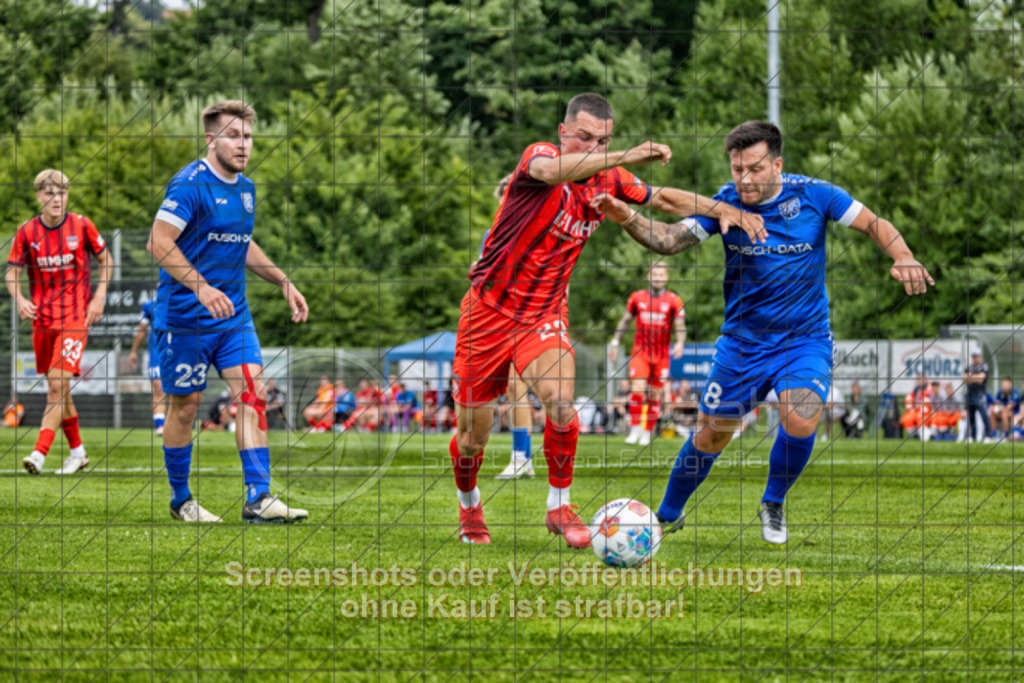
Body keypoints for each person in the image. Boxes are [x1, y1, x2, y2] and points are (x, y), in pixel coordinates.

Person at [591, 119, 933, 545]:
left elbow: (873, 223)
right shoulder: (726, 203)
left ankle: (773, 502)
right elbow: (670, 240)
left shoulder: (816, 195)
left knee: (801, 416)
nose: (745, 179)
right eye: (738, 169)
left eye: (755, 168)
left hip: (804, 339)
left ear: (777, 164)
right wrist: (626, 216)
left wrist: (903, 255)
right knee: (712, 434)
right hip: (742, 344)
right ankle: (667, 514)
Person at [449, 93, 757, 546]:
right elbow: (553, 171)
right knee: (471, 437)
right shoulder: (539, 157)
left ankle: (559, 507)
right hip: (487, 314)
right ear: (563, 132)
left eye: (604, 140)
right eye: (585, 137)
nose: (594, 147)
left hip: (544, 313)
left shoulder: (609, 177)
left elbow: (663, 199)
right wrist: (626, 154)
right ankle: (470, 505)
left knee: (560, 402)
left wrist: (722, 209)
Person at [147, 100, 309, 523]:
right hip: (185, 319)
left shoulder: (246, 189)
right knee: (186, 406)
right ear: (210, 139)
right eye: (233, 136)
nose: (243, 144)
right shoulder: (189, 185)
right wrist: (201, 288)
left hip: (233, 316)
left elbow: (241, 242)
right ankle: (181, 500)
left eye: (248, 136)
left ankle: (259, 497)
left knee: (254, 393)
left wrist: (282, 281)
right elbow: (158, 242)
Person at [7, 169, 112, 475]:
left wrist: (99, 297)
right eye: (50, 193)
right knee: (60, 388)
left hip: (75, 318)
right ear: (38, 196)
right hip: (43, 321)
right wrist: (20, 299)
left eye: (62, 193)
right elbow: (11, 273)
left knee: (55, 385)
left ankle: (39, 453)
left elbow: (106, 260)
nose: (56, 199)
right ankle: (78, 453)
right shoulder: (27, 232)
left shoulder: (82, 225)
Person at [609, 264, 685, 447]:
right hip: (640, 352)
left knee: (654, 394)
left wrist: (680, 342)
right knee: (637, 388)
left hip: (661, 355)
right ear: (649, 276)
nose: (657, 277)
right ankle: (635, 429)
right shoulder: (637, 297)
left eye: (661, 274)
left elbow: (680, 326)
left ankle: (647, 432)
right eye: (654, 274)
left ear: (666, 277)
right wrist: (615, 342)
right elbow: (625, 321)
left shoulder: (674, 300)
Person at [128, 300, 167, 433]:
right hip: (156, 353)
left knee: (178, 391)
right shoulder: (149, 306)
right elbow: (141, 329)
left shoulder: (180, 300)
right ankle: (160, 425)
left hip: (176, 351)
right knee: (158, 387)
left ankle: (175, 425)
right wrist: (133, 351)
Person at [963, 349, 992, 442]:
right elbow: (964, 378)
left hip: (980, 394)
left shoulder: (984, 366)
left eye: (978, 356)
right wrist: (975, 377)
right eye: (974, 356)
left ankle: (989, 435)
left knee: (984, 415)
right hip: (970, 394)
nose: (976, 358)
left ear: (980, 356)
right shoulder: (969, 367)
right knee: (971, 417)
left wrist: (970, 377)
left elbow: (981, 379)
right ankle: (973, 436)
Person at [900, 374, 932, 440]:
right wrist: (911, 409)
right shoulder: (916, 388)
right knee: (906, 419)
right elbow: (909, 398)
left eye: (922, 378)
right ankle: (915, 435)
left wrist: (921, 412)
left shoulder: (929, 389)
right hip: (916, 411)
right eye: (919, 379)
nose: (920, 380)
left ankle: (927, 435)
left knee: (921, 420)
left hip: (927, 412)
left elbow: (928, 404)